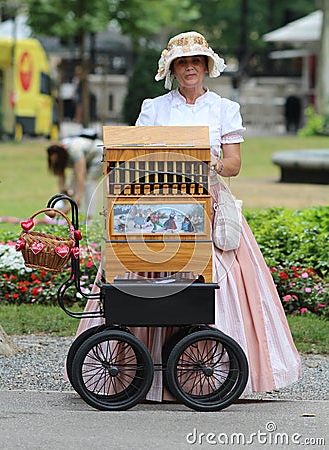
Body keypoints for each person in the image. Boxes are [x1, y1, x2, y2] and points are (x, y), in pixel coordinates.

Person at [74, 31, 301, 400]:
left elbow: (234, 164)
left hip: (207, 202)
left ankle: (209, 370)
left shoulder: (225, 108)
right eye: (182, 62)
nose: (190, 67)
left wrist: (209, 159)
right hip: (156, 206)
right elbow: (134, 155)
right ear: (173, 69)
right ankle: (140, 367)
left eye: (196, 61)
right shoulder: (154, 107)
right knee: (142, 272)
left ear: (206, 66)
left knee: (211, 278)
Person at [47, 129, 103, 218]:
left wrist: (78, 196)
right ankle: (74, 215)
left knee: (89, 183)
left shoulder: (74, 151)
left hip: (99, 155)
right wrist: (65, 199)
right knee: (72, 184)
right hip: (86, 158)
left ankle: (88, 218)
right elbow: (61, 179)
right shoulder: (57, 152)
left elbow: (81, 175)